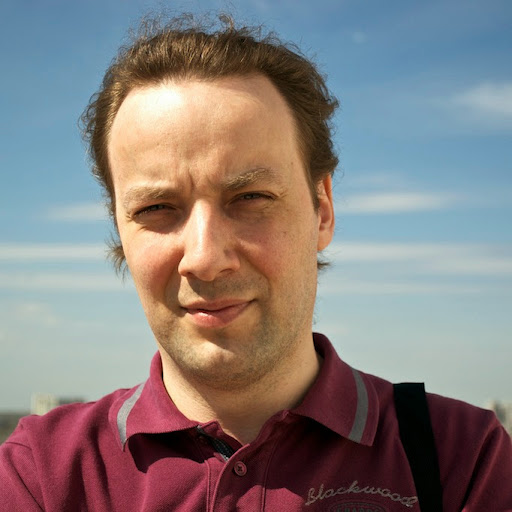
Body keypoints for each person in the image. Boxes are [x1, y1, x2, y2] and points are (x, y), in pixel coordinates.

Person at [1, 13, 511, 512]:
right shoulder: (40, 473)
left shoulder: (462, 459)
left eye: (250, 197)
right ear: (120, 231)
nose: (204, 259)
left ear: (322, 211)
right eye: (156, 208)